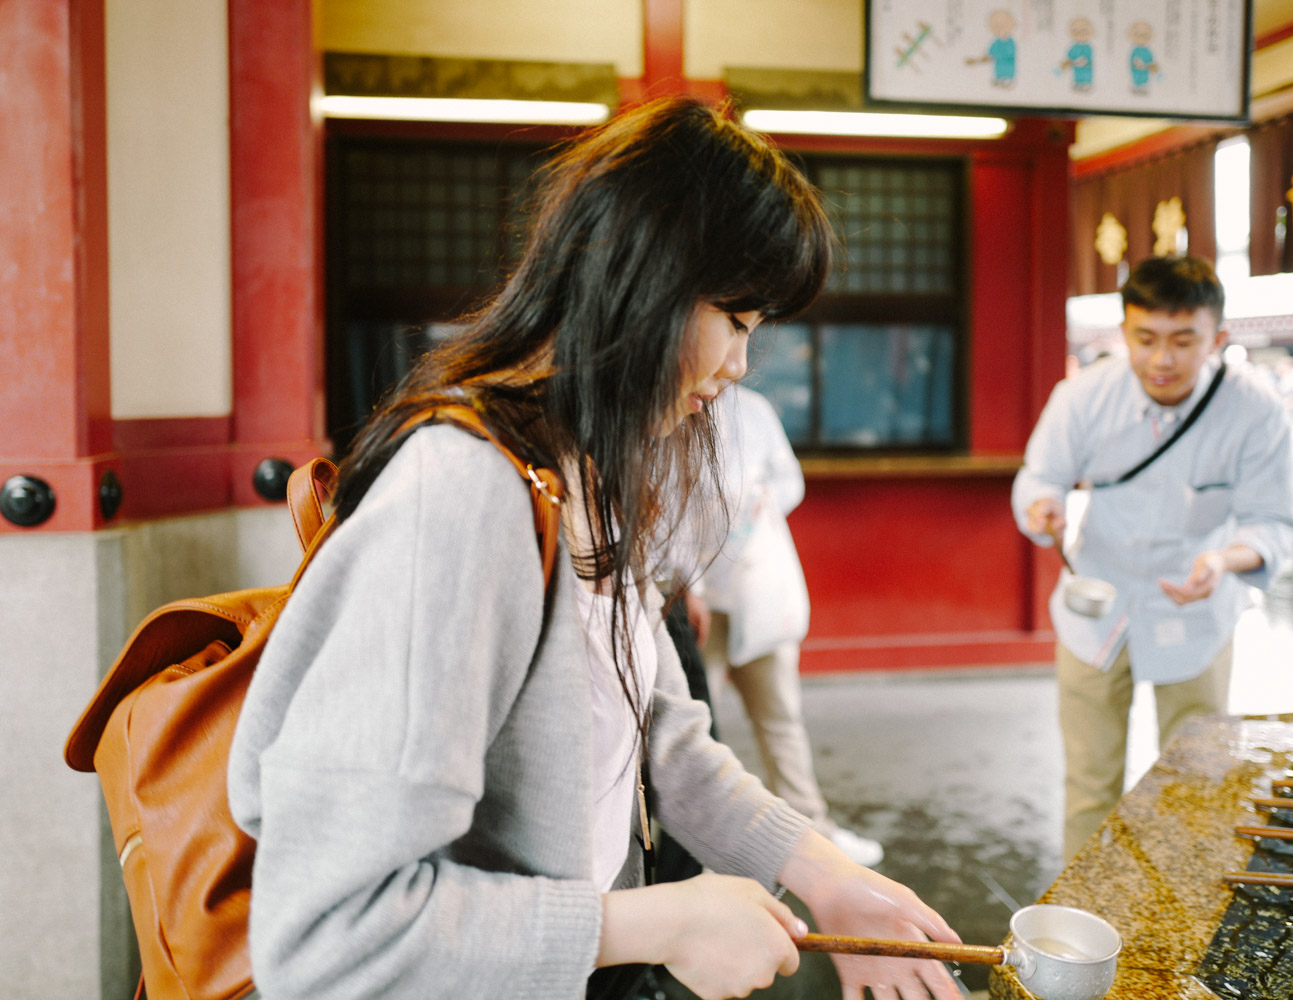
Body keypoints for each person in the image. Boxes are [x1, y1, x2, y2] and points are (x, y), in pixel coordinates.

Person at [226, 97, 963, 1000]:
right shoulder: (463, 495)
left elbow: (657, 737)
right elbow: (328, 936)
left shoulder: (588, 474)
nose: (739, 366)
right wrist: (659, 921)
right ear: (641, 277)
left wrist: (825, 876)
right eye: (735, 318)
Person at [1012, 254, 1293, 862]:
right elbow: (1040, 477)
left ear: (1217, 338)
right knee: (1089, 784)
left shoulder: (1255, 410)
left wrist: (1225, 561)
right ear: (1124, 332)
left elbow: (1274, 523)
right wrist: (1044, 508)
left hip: (1196, 610)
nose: (1161, 360)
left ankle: (1182, 923)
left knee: (1195, 780)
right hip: (1098, 607)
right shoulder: (1084, 395)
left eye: (1182, 340)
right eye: (1145, 339)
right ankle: (1082, 928)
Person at [690, 383, 885, 868]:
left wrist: (759, 501)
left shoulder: (753, 410)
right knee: (690, 724)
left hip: (755, 591)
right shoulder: (669, 405)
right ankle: (693, 847)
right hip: (690, 596)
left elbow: (789, 480)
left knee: (779, 719)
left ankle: (815, 835)